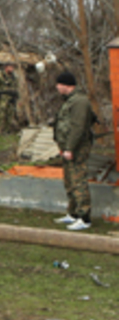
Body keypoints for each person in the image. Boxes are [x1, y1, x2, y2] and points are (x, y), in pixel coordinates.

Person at [53, 72, 95, 231]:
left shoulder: (80, 102)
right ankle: (73, 213)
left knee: (78, 181)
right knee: (69, 181)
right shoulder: (69, 101)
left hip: (77, 148)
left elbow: (78, 127)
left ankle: (85, 217)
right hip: (67, 148)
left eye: (59, 84)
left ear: (66, 85)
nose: (57, 87)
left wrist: (70, 148)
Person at [0, 63, 21, 134]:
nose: (12, 69)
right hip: (3, 98)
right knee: (0, 115)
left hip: (12, 98)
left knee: (10, 115)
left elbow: (17, 88)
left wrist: (19, 99)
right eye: (10, 67)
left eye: (12, 67)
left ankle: (6, 131)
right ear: (6, 68)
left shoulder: (14, 77)